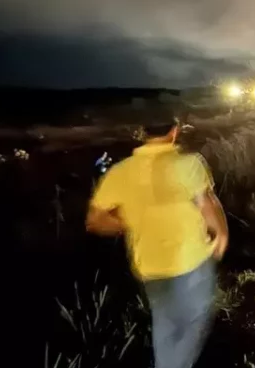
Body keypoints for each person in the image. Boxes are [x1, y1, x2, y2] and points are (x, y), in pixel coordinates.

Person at [86, 111, 228, 368]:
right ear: (174, 131)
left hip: (150, 264)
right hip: (191, 258)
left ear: (143, 133)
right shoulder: (190, 163)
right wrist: (221, 234)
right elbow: (206, 204)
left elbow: (95, 220)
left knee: (165, 321)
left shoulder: (120, 171)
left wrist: (129, 223)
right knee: (196, 319)